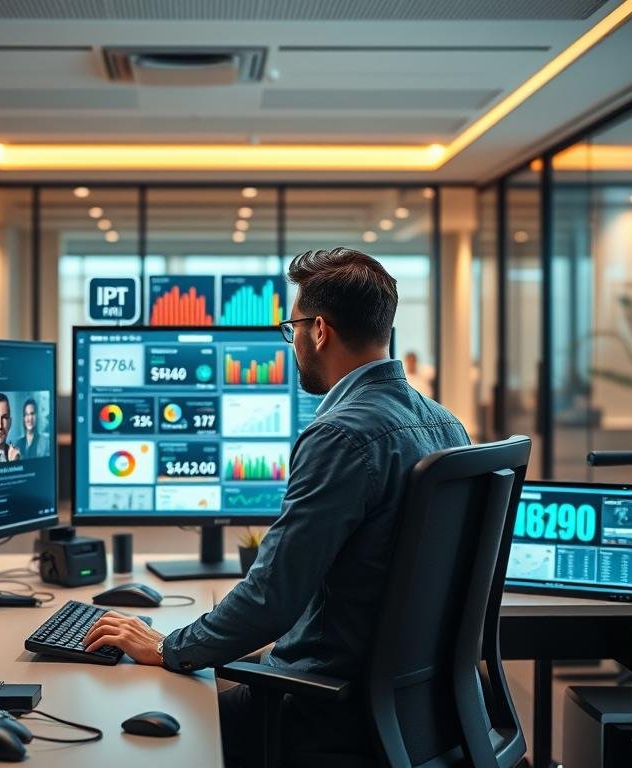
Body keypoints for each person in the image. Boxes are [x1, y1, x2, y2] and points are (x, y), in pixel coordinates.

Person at [82, 247, 470, 764]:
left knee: (135, 731)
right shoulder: (448, 424)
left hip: (325, 714)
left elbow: (270, 601)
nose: (292, 344)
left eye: (291, 330)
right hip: (418, 714)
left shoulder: (339, 435)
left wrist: (166, 647)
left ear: (319, 331)